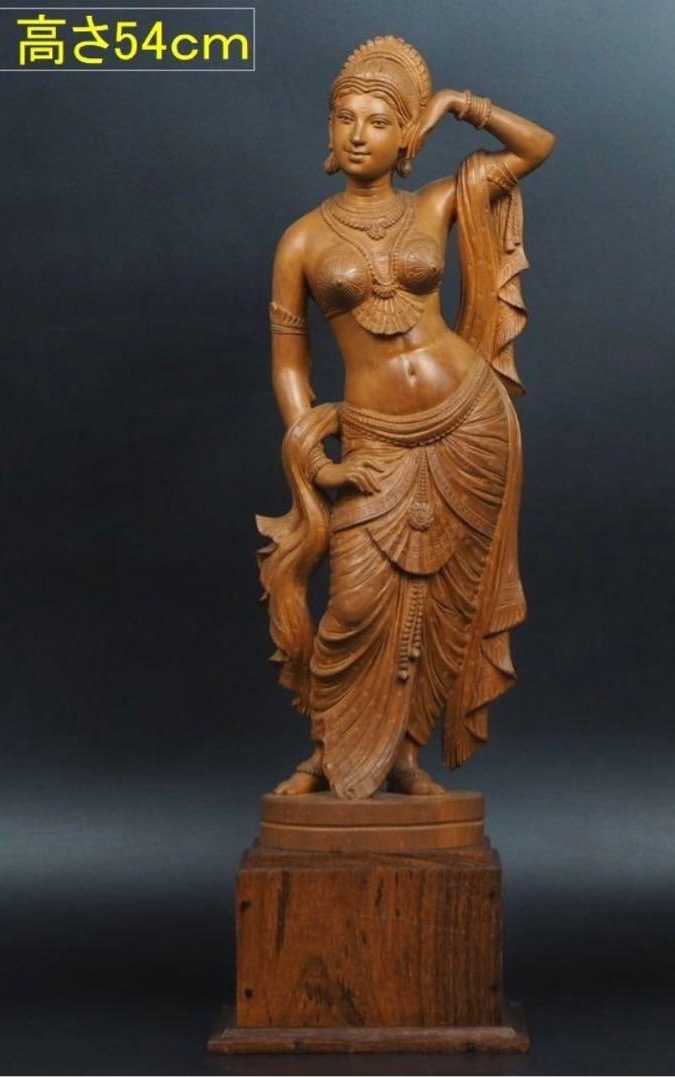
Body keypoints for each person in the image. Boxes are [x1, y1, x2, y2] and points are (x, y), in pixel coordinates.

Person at [257, 36, 555, 799]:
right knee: (355, 602)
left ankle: (403, 755)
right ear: (329, 133)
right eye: (345, 118)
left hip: (470, 421)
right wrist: (316, 459)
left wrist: (457, 104)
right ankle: (329, 751)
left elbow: (536, 147)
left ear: (405, 137)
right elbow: (290, 366)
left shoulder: (436, 203)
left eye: (379, 120)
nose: (358, 133)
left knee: (443, 602)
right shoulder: (302, 239)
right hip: (376, 436)